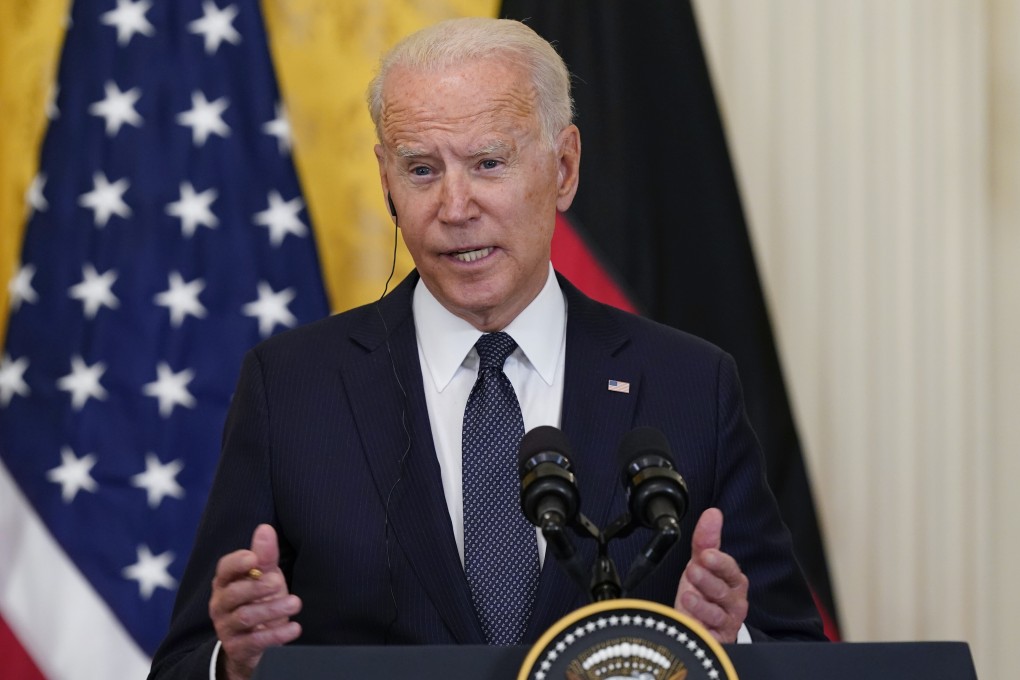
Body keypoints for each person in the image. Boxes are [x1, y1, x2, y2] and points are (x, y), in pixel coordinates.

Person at [148, 17, 825, 680]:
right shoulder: (293, 388)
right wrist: (234, 664)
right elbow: (183, 664)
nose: (455, 206)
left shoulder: (689, 384)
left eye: (488, 163)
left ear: (563, 168)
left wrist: (725, 643)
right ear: (386, 182)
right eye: (420, 169)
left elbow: (795, 647)